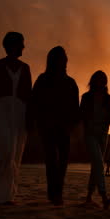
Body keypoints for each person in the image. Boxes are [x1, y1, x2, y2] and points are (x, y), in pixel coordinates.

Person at [0, 32, 32, 205]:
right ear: (12, 45)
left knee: (14, 153)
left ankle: (6, 194)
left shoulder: (25, 68)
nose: (23, 47)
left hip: (19, 112)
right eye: (21, 44)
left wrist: (29, 119)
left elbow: (28, 95)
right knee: (4, 151)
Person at [30, 46, 79, 206]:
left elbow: (75, 108)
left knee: (62, 161)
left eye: (65, 58)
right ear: (54, 60)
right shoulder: (43, 79)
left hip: (64, 127)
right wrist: (36, 122)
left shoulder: (71, 82)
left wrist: (73, 126)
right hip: (47, 126)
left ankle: (57, 193)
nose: (64, 61)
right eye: (61, 58)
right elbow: (35, 102)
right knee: (52, 160)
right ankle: (54, 194)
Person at [80, 70, 110, 209]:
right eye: (98, 79)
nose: (101, 82)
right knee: (99, 162)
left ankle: (88, 197)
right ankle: (104, 196)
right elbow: (81, 116)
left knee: (96, 166)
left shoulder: (109, 99)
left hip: (103, 136)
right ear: (93, 81)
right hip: (90, 135)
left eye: (103, 79)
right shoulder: (86, 97)